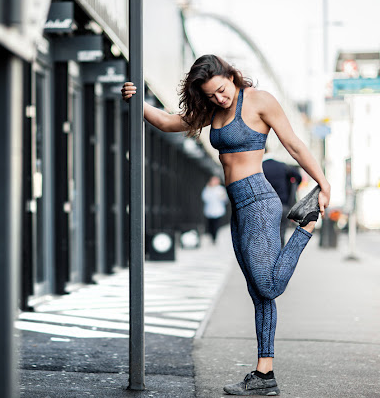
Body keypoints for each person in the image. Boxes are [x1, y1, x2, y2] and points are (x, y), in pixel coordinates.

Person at [122, 54, 330, 396]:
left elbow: (293, 144)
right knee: (257, 293)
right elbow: (168, 122)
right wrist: (136, 101)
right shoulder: (212, 111)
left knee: (268, 286)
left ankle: (305, 227)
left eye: (221, 90)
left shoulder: (259, 101)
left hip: (261, 201)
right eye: (212, 95)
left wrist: (323, 183)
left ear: (232, 77)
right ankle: (265, 376)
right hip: (239, 207)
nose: (220, 98)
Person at [262, 148, 302, 247]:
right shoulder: (283, 166)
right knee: (281, 233)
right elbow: (298, 177)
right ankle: (280, 258)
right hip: (282, 205)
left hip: (264, 207)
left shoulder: (259, 168)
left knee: (265, 235)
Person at [201, 176, 228, 243]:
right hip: (209, 210)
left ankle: (214, 238)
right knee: (210, 225)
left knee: (216, 225)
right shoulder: (207, 189)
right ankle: (211, 236)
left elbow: (225, 199)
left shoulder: (220, 189)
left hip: (218, 211)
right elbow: (204, 197)